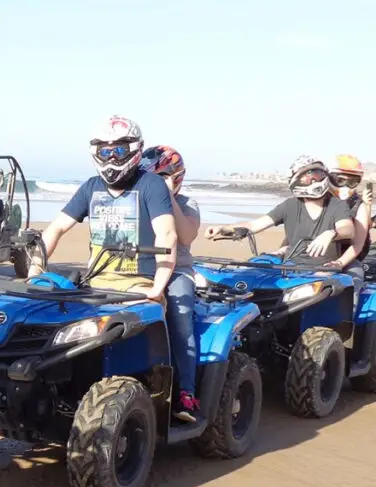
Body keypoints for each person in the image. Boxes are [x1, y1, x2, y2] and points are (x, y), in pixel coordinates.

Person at [33, 116, 188, 419]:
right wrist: (36, 269)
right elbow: (54, 230)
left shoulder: (151, 185)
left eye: (118, 150)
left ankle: (177, 397)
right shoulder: (91, 187)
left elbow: (166, 233)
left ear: (134, 150)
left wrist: (157, 286)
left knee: (162, 330)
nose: (111, 157)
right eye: (104, 151)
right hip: (96, 283)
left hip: (137, 285)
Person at [140, 145, 201, 422]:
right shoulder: (140, 199)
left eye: (161, 176)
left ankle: (186, 393)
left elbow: (186, 236)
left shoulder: (188, 203)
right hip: (138, 271)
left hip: (178, 272)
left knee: (181, 316)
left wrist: (168, 199)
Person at [205, 156, 354, 266]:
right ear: (296, 180)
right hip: (291, 265)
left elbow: (347, 229)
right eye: (307, 178)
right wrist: (223, 228)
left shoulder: (336, 205)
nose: (314, 181)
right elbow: (253, 225)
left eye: (317, 175)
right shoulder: (290, 206)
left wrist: (330, 233)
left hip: (324, 268)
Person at [326, 154, 372, 284]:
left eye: (352, 182)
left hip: (346, 258)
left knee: (354, 280)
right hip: (308, 258)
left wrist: (338, 263)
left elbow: (358, 244)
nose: (345, 186)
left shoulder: (358, 205)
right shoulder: (318, 200)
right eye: (340, 180)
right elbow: (297, 226)